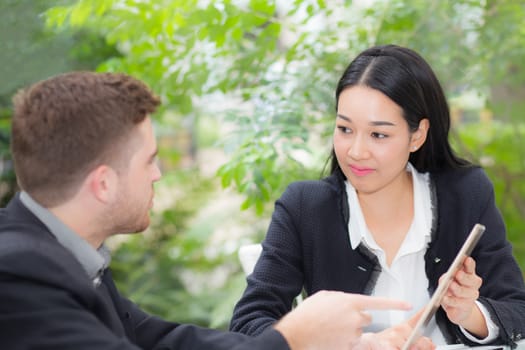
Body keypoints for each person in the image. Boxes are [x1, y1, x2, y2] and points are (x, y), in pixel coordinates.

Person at [0, 71, 415, 350]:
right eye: (149, 161)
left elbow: (162, 340)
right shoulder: (18, 276)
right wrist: (290, 338)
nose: (158, 175)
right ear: (103, 183)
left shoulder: (63, 256)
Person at [229, 44, 525, 349]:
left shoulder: (465, 193)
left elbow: (518, 311)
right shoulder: (305, 207)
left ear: (417, 135)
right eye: (345, 129)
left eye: (378, 135)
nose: (356, 151)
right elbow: (248, 324)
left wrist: (469, 313)